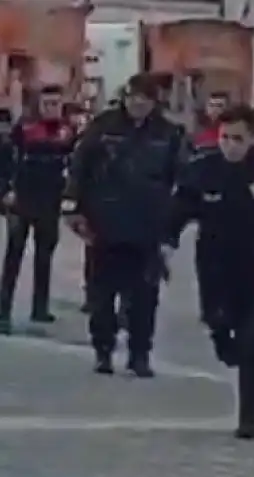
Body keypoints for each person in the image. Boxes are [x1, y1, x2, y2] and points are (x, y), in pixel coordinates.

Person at [168, 104, 254, 440]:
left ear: (252, 138)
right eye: (225, 138)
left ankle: (249, 413)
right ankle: (223, 342)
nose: (231, 145)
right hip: (216, 266)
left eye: (238, 138)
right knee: (220, 326)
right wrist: (165, 242)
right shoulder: (203, 169)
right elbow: (178, 210)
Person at [64, 73, 184, 377]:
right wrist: (73, 207)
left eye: (144, 98)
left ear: (154, 101)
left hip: (147, 227)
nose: (138, 103)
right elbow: (79, 168)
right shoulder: (103, 127)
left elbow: (181, 181)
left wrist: (172, 228)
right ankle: (103, 351)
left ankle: (139, 353)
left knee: (144, 298)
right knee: (101, 296)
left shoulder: (169, 134)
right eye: (133, 97)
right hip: (104, 224)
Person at [0, 83, 74, 332]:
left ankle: (40, 308)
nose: (52, 108)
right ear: (39, 105)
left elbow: (76, 164)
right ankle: (3, 307)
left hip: (50, 200)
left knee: (44, 256)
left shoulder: (68, 130)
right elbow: (4, 160)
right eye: (47, 103)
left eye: (56, 104)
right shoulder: (24, 128)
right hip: (22, 198)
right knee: (14, 254)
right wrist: (6, 190)